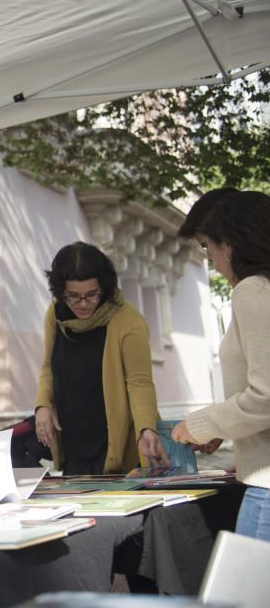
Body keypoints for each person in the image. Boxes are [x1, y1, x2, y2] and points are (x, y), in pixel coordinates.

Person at [172, 189, 270, 541]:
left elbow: (265, 397)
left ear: (228, 244)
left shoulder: (253, 292)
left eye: (207, 246)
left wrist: (200, 424)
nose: (210, 259)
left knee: (245, 596)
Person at [34, 242, 169, 474]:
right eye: (73, 297)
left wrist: (146, 428)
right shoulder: (56, 314)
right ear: (60, 291)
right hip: (73, 448)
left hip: (113, 450)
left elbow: (140, 383)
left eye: (92, 295)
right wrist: (42, 406)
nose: (83, 304)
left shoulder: (129, 322)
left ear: (104, 288)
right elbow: (48, 365)